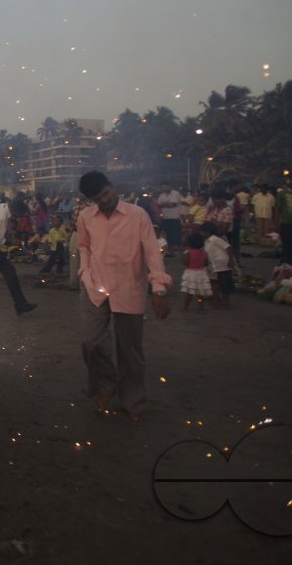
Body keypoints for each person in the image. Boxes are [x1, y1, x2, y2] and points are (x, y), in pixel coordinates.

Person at [76, 171, 172, 422]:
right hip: (94, 285)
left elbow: (152, 253)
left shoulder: (138, 215)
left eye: (106, 194)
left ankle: (133, 400)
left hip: (129, 287)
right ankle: (104, 387)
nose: (104, 201)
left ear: (111, 186)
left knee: (130, 349)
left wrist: (159, 288)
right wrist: (84, 271)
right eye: (97, 199)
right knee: (90, 342)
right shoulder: (85, 217)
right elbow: (84, 246)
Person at [273, 172, 292, 264]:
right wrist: (276, 223)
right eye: (291, 180)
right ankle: (285, 264)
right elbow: (277, 209)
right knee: (286, 245)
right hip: (287, 223)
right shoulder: (282, 193)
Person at [180, 232, 212, 311]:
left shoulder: (188, 252)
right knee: (200, 293)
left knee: (189, 292)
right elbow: (206, 263)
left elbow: (185, 262)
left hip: (191, 273)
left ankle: (185, 307)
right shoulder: (204, 253)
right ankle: (201, 307)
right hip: (201, 273)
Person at [156, 181, 183, 254]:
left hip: (175, 217)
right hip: (165, 217)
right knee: (167, 233)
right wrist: (167, 204)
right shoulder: (162, 195)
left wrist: (164, 204)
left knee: (175, 234)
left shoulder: (175, 193)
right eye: (162, 187)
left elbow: (173, 204)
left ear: (169, 186)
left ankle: (176, 250)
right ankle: (169, 250)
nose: (162, 188)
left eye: (164, 187)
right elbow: (159, 205)